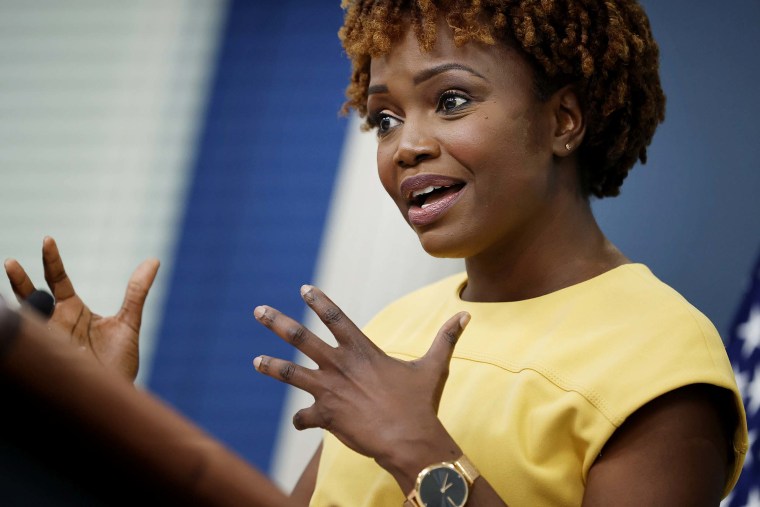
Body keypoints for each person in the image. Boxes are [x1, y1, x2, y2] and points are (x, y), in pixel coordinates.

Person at [5, 1, 749, 506]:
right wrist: (99, 408)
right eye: (385, 117)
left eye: (450, 100)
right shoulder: (399, 329)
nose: (407, 145)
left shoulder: (661, 360)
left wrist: (426, 457)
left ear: (564, 120)